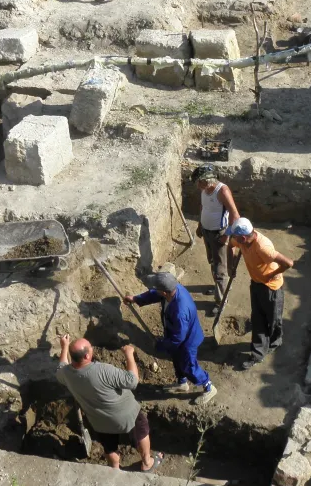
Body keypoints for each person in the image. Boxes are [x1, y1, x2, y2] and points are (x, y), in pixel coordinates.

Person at [55, 335, 163, 471]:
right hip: (127, 415)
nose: (92, 348)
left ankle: (114, 470)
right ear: (87, 356)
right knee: (141, 431)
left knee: (109, 446)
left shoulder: (66, 374)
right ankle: (147, 462)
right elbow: (132, 381)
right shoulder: (103, 370)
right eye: (90, 347)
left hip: (100, 421)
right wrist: (129, 354)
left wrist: (64, 347)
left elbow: (60, 368)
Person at [124, 270, 217, 405]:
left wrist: (161, 345)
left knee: (188, 366)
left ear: (165, 292)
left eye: (158, 289)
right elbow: (154, 294)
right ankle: (182, 383)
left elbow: (178, 338)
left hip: (187, 341)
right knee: (176, 358)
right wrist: (137, 299)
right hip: (176, 334)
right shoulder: (173, 289)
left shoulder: (180, 310)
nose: (156, 291)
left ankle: (209, 387)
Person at [226, 218, 294, 370]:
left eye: (236, 237)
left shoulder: (263, 247)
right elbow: (230, 245)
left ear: (243, 238)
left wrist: (271, 275)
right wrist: (230, 266)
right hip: (256, 283)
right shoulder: (242, 241)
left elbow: (288, 263)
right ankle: (258, 353)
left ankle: (275, 341)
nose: (234, 239)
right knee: (257, 318)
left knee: (273, 319)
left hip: (272, 287)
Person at [192, 164, 241, 307]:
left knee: (220, 268)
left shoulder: (222, 191)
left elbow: (235, 214)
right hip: (207, 231)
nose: (198, 185)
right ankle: (221, 288)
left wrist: (227, 235)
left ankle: (221, 302)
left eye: (199, 182)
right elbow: (203, 207)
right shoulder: (204, 189)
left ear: (208, 180)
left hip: (219, 233)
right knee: (212, 261)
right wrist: (200, 225)